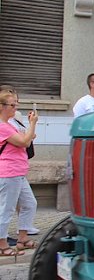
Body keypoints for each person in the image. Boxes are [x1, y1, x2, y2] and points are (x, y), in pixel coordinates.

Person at [0, 90, 38, 256]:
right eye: (12, 105)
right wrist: (33, 123)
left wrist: (29, 133)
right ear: (1, 107)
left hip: (19, 172)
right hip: (9, 172)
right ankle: (2, 244)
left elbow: (28, 140)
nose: (15, 107)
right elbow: (24, 141)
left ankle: (22, 238)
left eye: (16, 104)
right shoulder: (2, 126)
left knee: (30, 204)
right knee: (6, 209)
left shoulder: (9, 124)